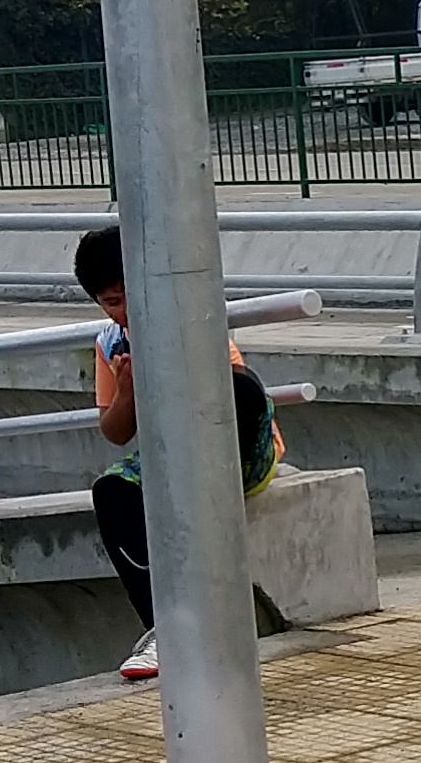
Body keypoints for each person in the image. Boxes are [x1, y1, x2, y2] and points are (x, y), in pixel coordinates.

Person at [77, 223, 283, 682]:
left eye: (131, 295)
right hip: (171, 456)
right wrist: (128, 390)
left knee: (241, 387)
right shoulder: (111, 345)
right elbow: (114, 431)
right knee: (111, 491)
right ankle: (165, 627)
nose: (125, 310)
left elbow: (239, 394)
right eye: (112, 302)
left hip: (237, 452)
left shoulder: (191, 317)